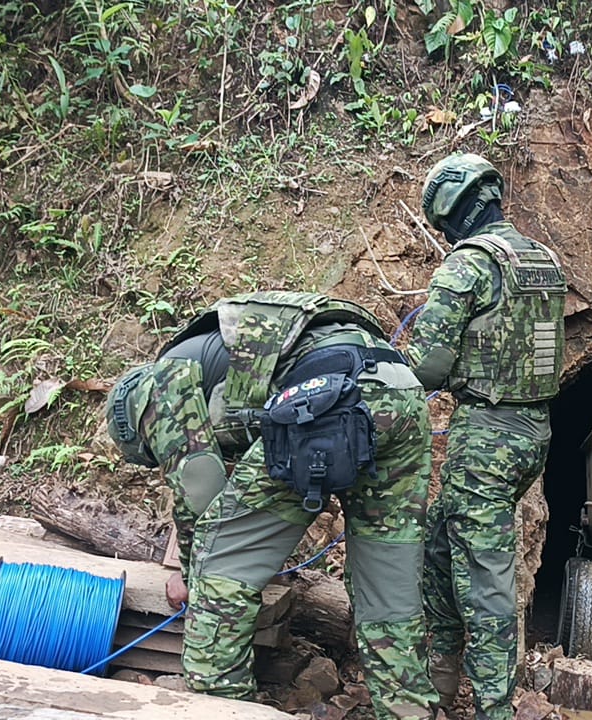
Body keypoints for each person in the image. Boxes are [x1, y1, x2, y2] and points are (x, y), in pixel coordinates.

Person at [104, 291, 438, 720]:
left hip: (325, 400)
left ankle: (220, 707)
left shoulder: (158, 386)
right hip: (400, 391)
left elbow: (199, 487)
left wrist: (191, 573)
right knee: (388, 586)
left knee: (220, 571)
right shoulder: (210, 358)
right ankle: (409, 710)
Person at [406, 153, 566, 719]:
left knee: (483, 580)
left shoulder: (469, 264)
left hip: (487, 437)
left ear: (453, 210)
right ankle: (440, 680)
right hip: (533, 432)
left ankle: (494, 707)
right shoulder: (541, 257)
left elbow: (426, 365)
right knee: (438, 547)